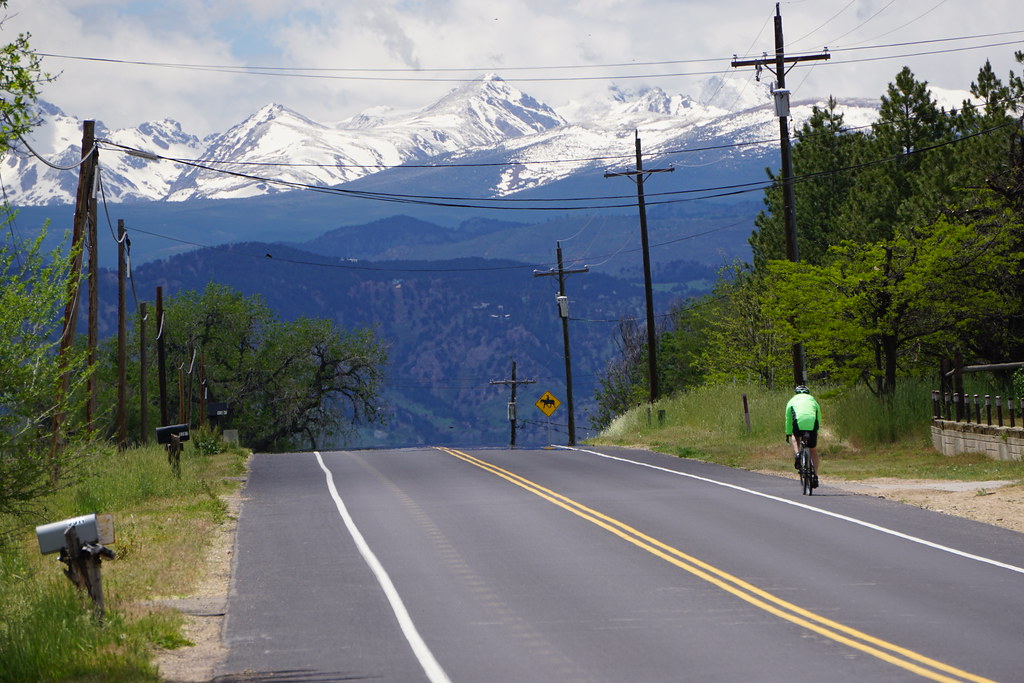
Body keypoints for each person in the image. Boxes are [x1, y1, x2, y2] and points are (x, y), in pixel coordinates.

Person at [785, 385, 821, 487]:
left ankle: (797, 454)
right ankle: (815, 476)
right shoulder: (813, 400)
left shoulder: (792, 401)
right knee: (813, 449)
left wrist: (788, 433)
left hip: (798, 423)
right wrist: (816, 430)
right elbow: (819, 416)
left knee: (795, 436)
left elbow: (788, 419)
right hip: (812, 423)